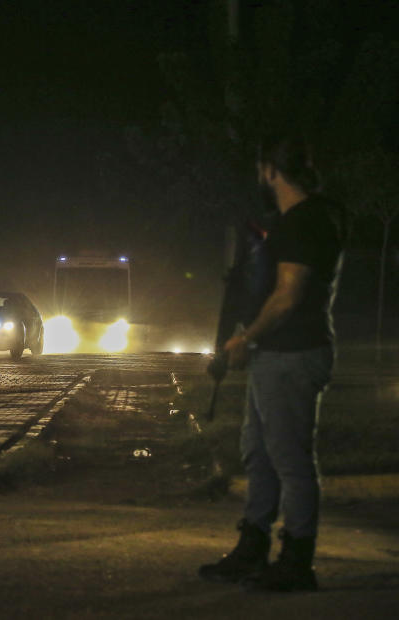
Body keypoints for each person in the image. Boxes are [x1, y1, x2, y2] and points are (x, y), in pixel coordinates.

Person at [199, 131, 345, 591]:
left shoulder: (305, 221)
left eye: (261, 169)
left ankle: (297, 561)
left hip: (293, 354)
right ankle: (253, 547)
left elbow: (287, 296)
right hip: (278, 357)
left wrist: (247, 338)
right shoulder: (305, 218)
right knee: (259, 455)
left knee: (290, 461)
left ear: (271, 171)